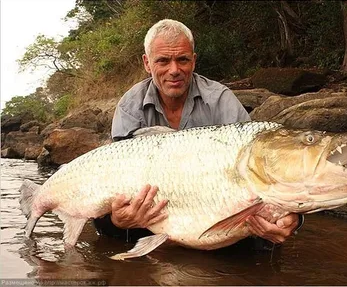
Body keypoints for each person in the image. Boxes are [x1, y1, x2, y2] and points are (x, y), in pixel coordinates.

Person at [94, 19, 303, 248]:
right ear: (147, 63)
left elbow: (262, 170)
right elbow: (113, 177)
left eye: (182, 59)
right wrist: (117, 220)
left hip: (215, 206)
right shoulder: (129, 106)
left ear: (193, 61)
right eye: (163, 61)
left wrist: (292, 216)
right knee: (106, 226)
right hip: (154, 211)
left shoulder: (220, 99)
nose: (174, 70)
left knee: (262, 239)